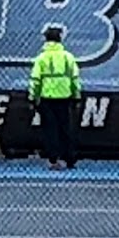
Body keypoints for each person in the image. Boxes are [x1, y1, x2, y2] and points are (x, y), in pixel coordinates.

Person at [29, 24, 82, 169]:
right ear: (60, 40)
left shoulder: (41, 58)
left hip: (47, 97)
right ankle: (70, 158)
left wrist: (33, 97)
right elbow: (75, 78)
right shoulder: (68, 57)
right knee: (65, 128)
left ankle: (53, 159)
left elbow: (35, 80)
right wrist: (77, 96)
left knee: (50, 129)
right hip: (65, 97)